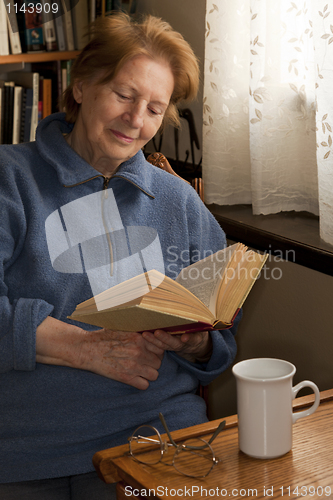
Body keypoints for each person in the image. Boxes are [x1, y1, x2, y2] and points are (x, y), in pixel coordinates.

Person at [0, 13, 241, 499]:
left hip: (154, 438)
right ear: (83, 85)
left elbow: (222, 344)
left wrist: (195, 344)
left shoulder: (179, 202)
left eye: (155, 108)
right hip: (25, 445)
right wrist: (83, 347)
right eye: (124, 95)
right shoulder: (11, 179)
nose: (136, 120)